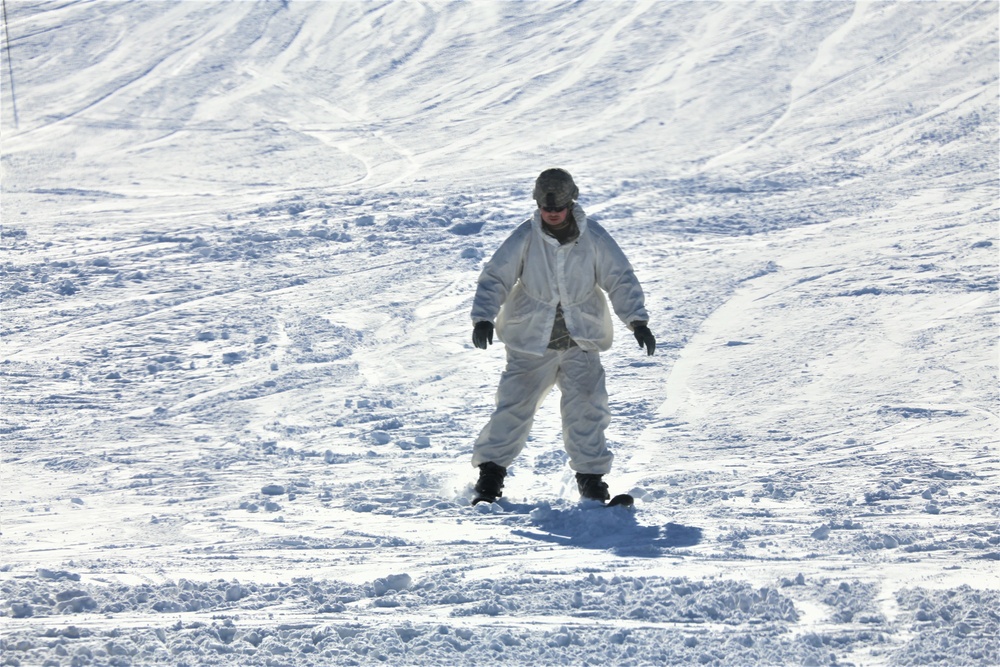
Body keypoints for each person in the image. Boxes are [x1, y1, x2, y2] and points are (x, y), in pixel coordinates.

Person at [469, 168, 655, 503]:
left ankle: (592, 483)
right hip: (530, 342)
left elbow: (619, 277)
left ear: (571, 203)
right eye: (545, 208)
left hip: (580, 340)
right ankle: (489, 480)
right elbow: (496, 276)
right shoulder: (525, 237)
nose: (551, 213)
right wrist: (483, 316)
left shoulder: (593, 238)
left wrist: (637, 320)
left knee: (587, 409)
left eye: (558, 207)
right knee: (513, 408)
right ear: (538, 205)